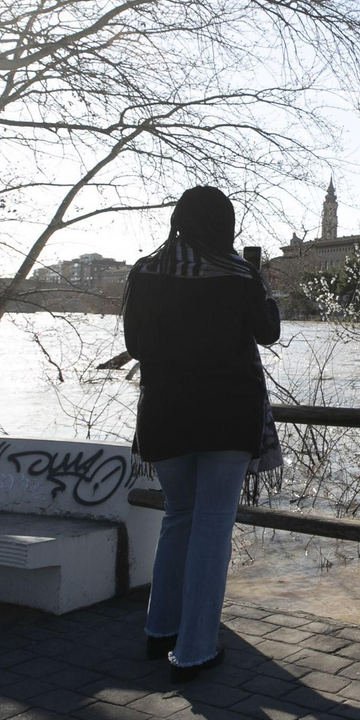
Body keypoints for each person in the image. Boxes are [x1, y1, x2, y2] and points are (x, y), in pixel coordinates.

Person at [123, 186, 281, 683]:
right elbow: (269, 332)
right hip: (227, 416)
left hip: (165, 414)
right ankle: (194, 650)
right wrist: (263, 283)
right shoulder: (239, 275)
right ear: (225, 225)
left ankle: (160, 630)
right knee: (212, 527)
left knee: (178, 519)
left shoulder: (145, 272)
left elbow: (134, 343)